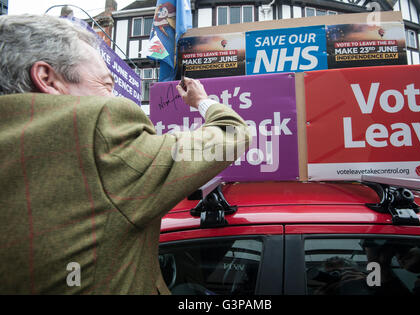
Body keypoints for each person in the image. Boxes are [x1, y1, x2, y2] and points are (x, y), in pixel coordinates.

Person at [0, 15, 251, 294]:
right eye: (106, 85)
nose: (114, 96)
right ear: (48, 79)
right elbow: (231, 134)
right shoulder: (99, 133)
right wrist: (202, 101)